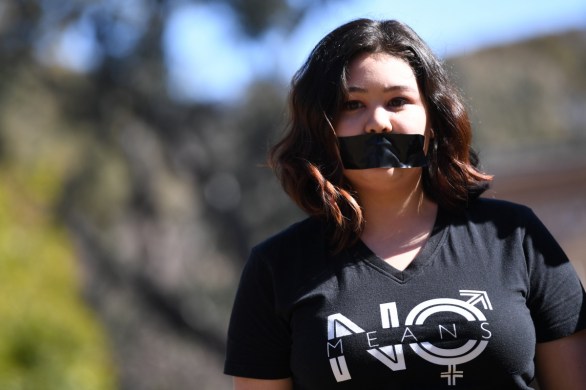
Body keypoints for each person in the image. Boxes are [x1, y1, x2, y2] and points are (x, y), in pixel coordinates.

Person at [223, 18, 586, 389]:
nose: (378, 122)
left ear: (433, 120)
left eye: (398, 101)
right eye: (352, 104)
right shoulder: (276, 268)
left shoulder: (516, 238)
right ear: (322, 127)